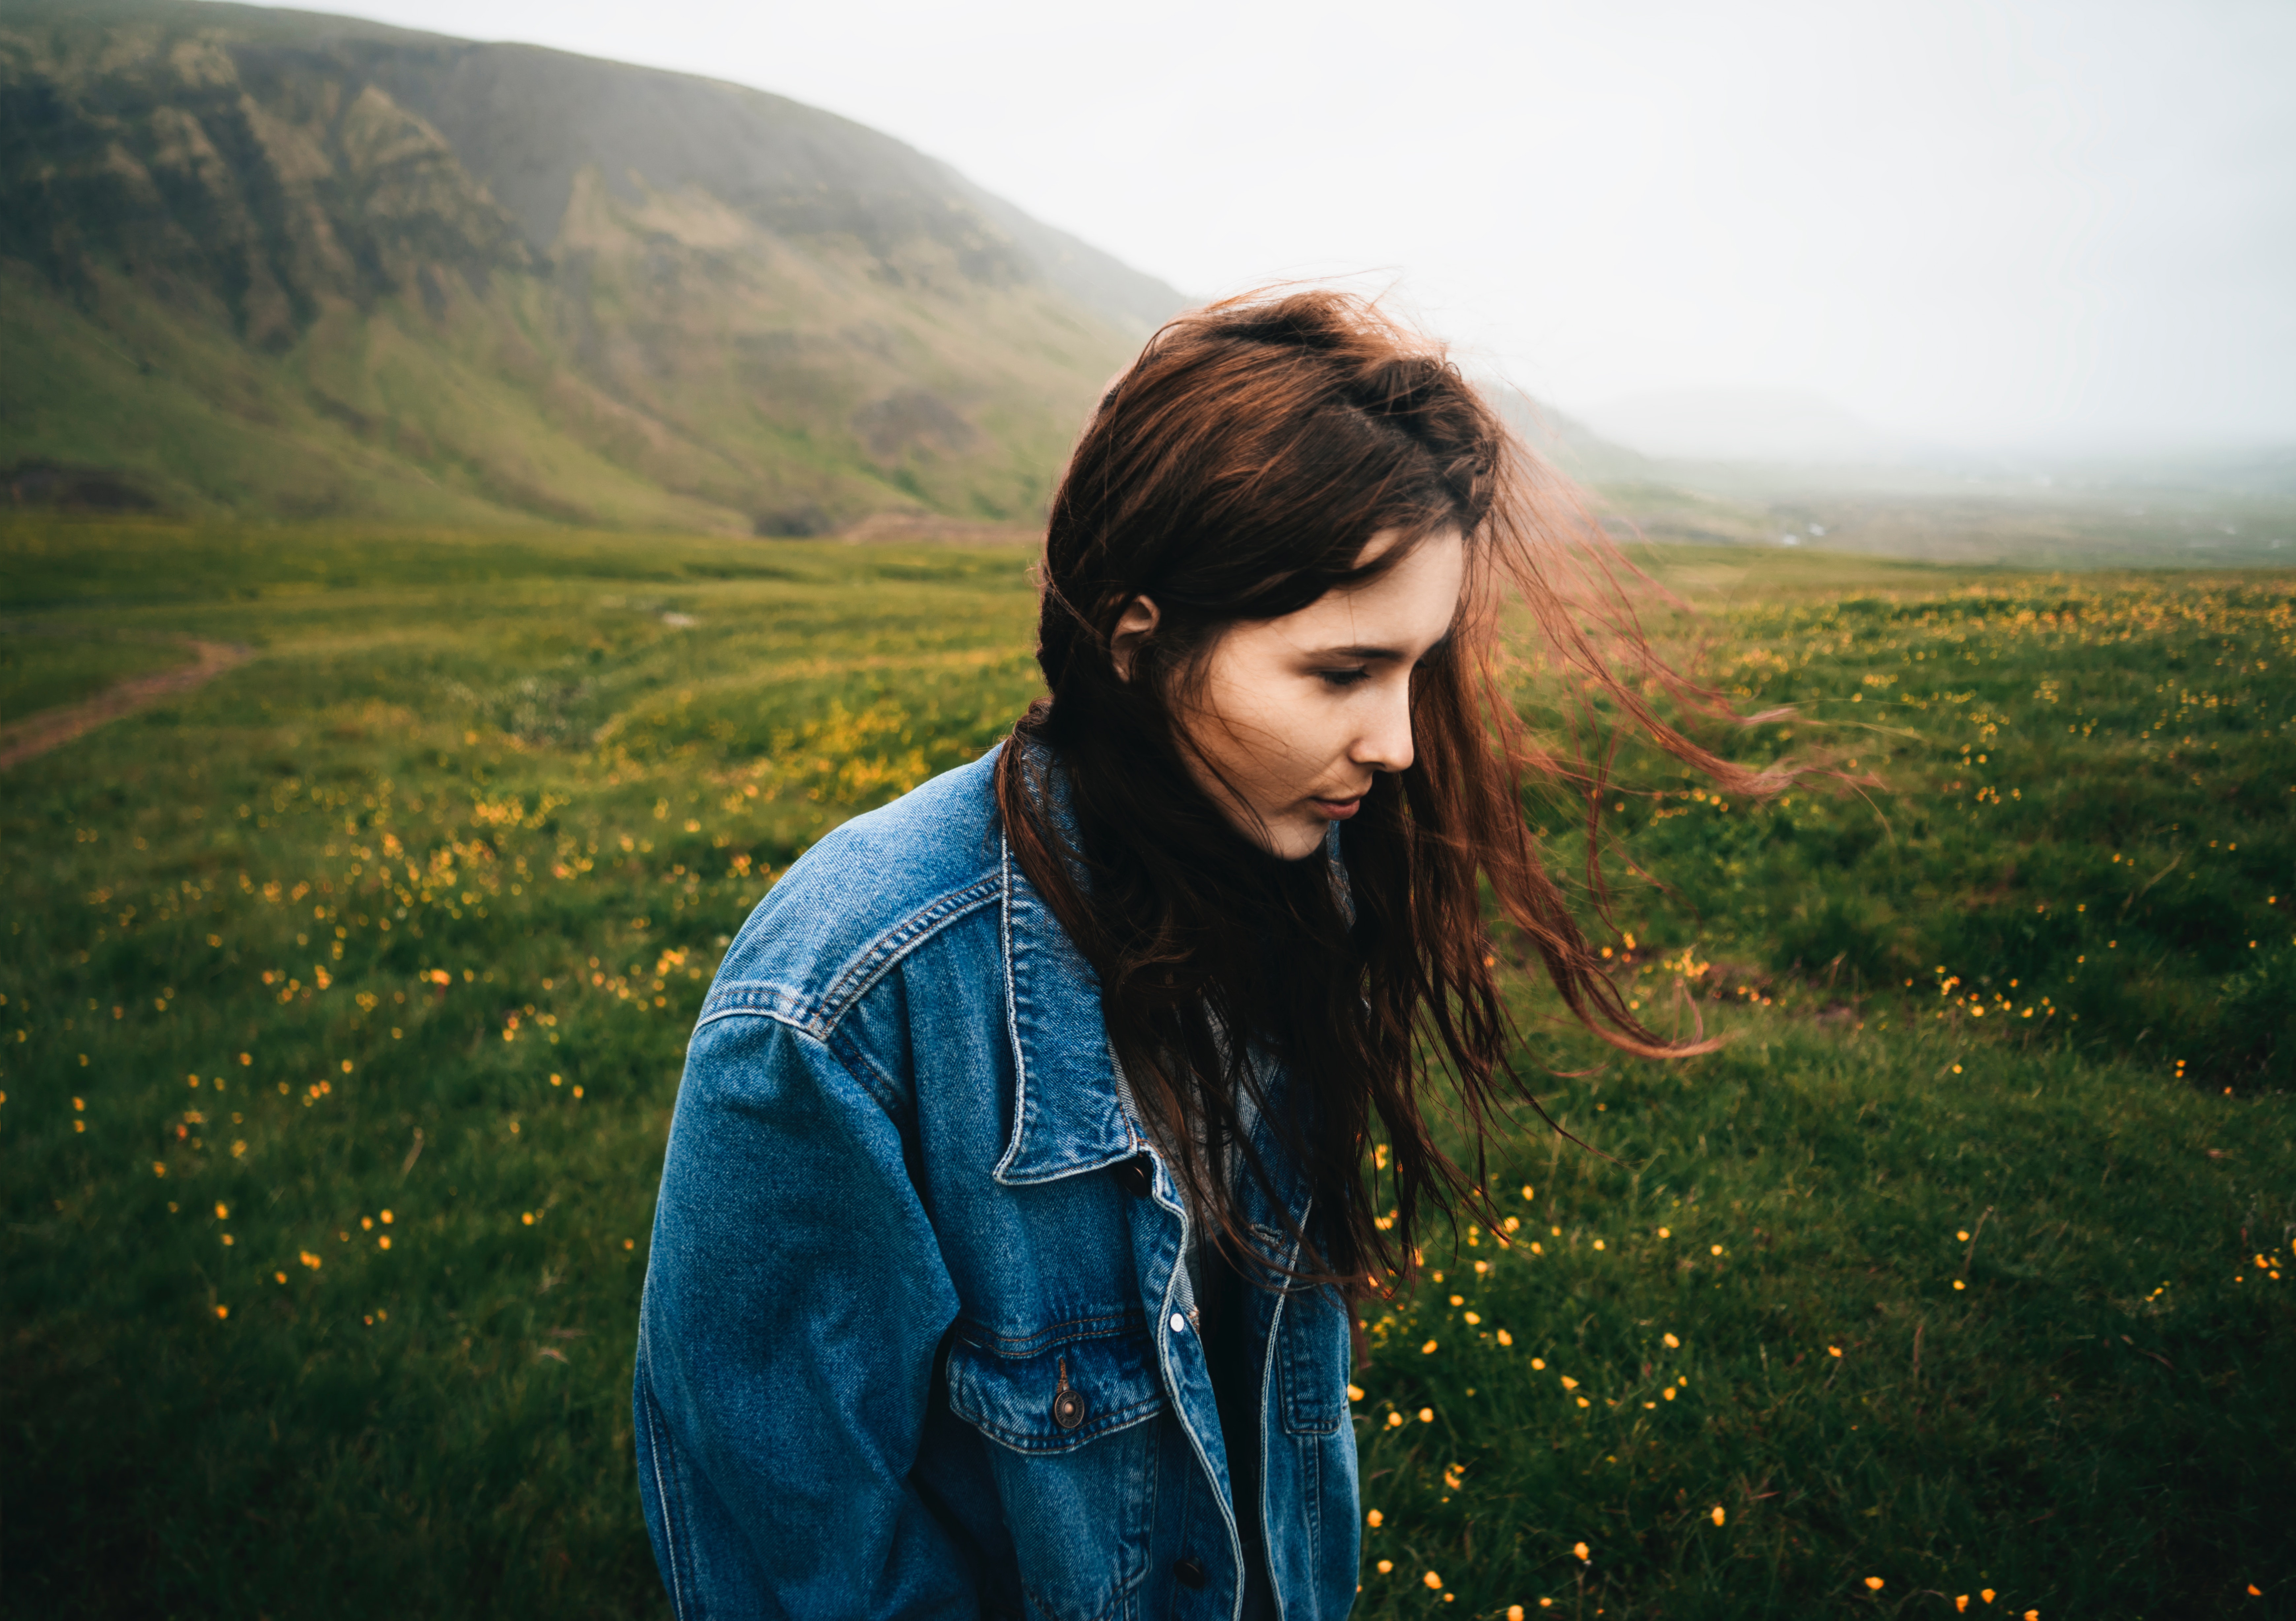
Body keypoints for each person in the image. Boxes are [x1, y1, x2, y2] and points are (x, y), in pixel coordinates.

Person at [632, 290, 1781, 1619]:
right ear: (1139, 645)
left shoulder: (1296, 894)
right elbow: (789, 1570)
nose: (1399, 743)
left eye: (1414, 669)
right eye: (1342, 672)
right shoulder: (848, 1007)